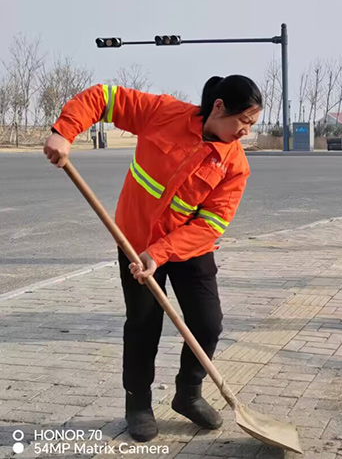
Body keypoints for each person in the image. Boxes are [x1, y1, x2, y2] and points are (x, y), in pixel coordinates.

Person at [43, 76, 262, 442]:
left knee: (208, 323)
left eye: (252, 125)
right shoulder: (163, 113)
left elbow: (211, 224)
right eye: (245, 121)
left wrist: (160, 253)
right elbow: (104, 98)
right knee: (144, 324)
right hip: (134, 240)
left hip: (188, 248)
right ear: (219, 107)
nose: (246, 132)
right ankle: (138, 404)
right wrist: (64, 132)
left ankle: (188, 393)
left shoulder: (235, 165)